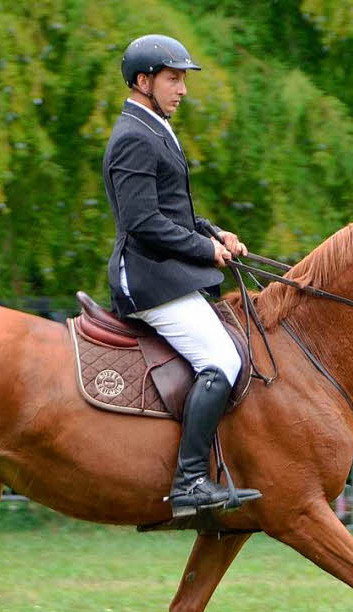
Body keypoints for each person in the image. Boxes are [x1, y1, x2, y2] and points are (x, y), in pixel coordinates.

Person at [103, 34, 260, 517]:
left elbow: (172, 210)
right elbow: (142, 223)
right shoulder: (133, 135)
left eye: (183, 79)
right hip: (149, 279)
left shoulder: (154, 128)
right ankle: (191, 480)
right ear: (143, 80)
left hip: (169, 273)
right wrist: (204, 250)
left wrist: (216, 233)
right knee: (223, 359)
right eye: (173, 78)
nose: (182, 90)